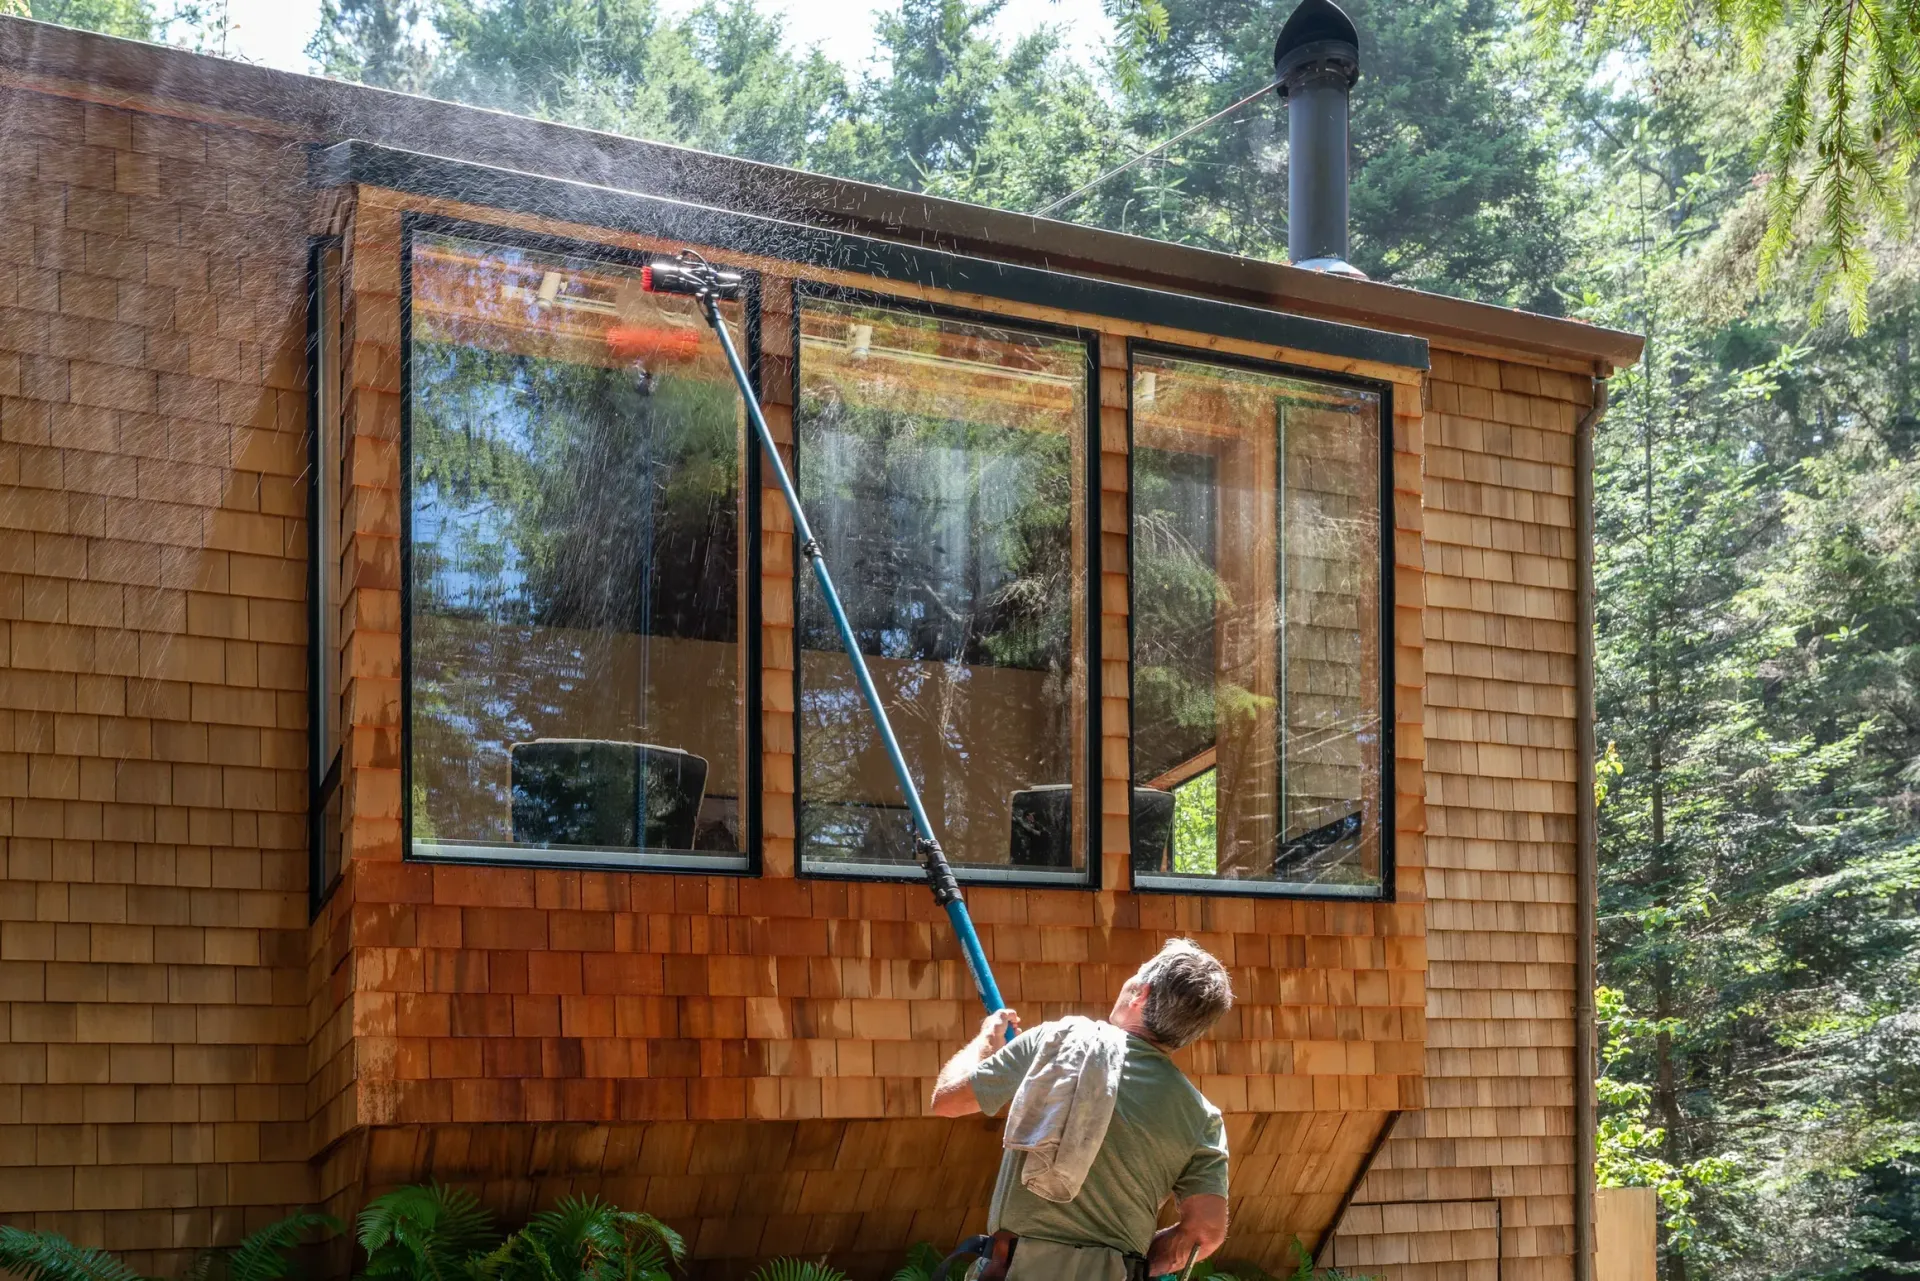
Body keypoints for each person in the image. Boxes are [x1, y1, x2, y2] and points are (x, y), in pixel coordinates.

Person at [930, 939, 1236, 1281]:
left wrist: (987, 1039)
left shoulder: (1056, 1041)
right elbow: (1204, 1233)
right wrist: (1124, 1265)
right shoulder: (1202, 1117)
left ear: (1141, 994)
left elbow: (947, 1100)